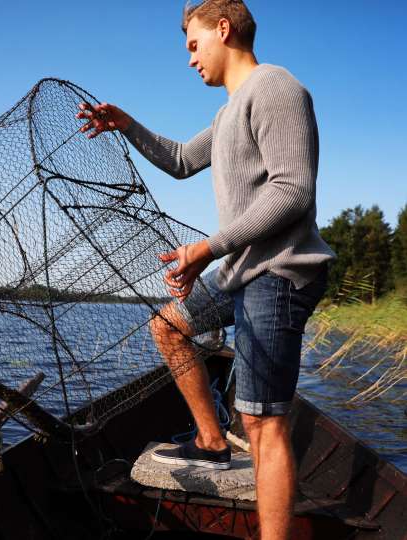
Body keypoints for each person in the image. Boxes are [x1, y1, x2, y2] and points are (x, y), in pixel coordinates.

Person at [76, 1, 336, 538]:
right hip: (242, 268)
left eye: (194, 45)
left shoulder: (276, 88)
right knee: (168, 327)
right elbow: (177, 159)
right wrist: (126, 124)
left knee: (265, 425)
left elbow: (293, 191)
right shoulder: (228, 111)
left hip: (280, 271)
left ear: (223, 29)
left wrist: (208, 248)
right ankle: (212, 441)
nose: (190, 59)